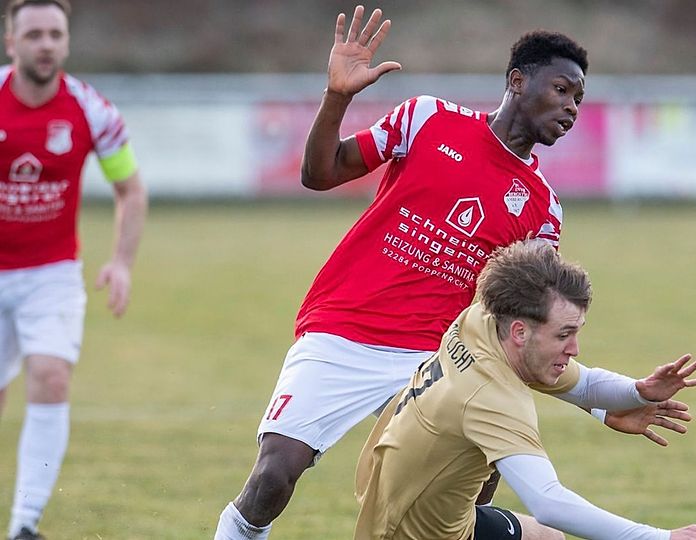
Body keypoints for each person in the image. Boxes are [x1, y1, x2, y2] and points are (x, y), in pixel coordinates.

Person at [215, 5, 615, 538]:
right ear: (518, 81)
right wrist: (338, 95)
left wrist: (603, 404)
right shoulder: (427, 119)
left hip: (438, 358)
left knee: (466, 498)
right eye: (562, 90)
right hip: (344, 328)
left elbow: (527, 320)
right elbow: (320, 172)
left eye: (579, 100)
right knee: (272, 478)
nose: (571, 108)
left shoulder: (543, 208)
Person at [354, 240, 696, 540]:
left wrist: (639, 393)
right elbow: (549, 502)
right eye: (564, 335)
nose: (574, 349)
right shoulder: (491, 398)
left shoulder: (481, 322)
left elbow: (584, 385)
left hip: (409, 503)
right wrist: (662, 536)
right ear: (521, 331)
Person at [0, 1, 147, 539]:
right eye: (32, 33)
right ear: (11, 41)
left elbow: (129, 189)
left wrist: (123, 263)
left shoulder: (91, 111)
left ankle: (24, 525)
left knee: (51, 375)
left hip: (52, 274)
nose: (45, 43)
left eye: (54, 34)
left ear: (66, 42)